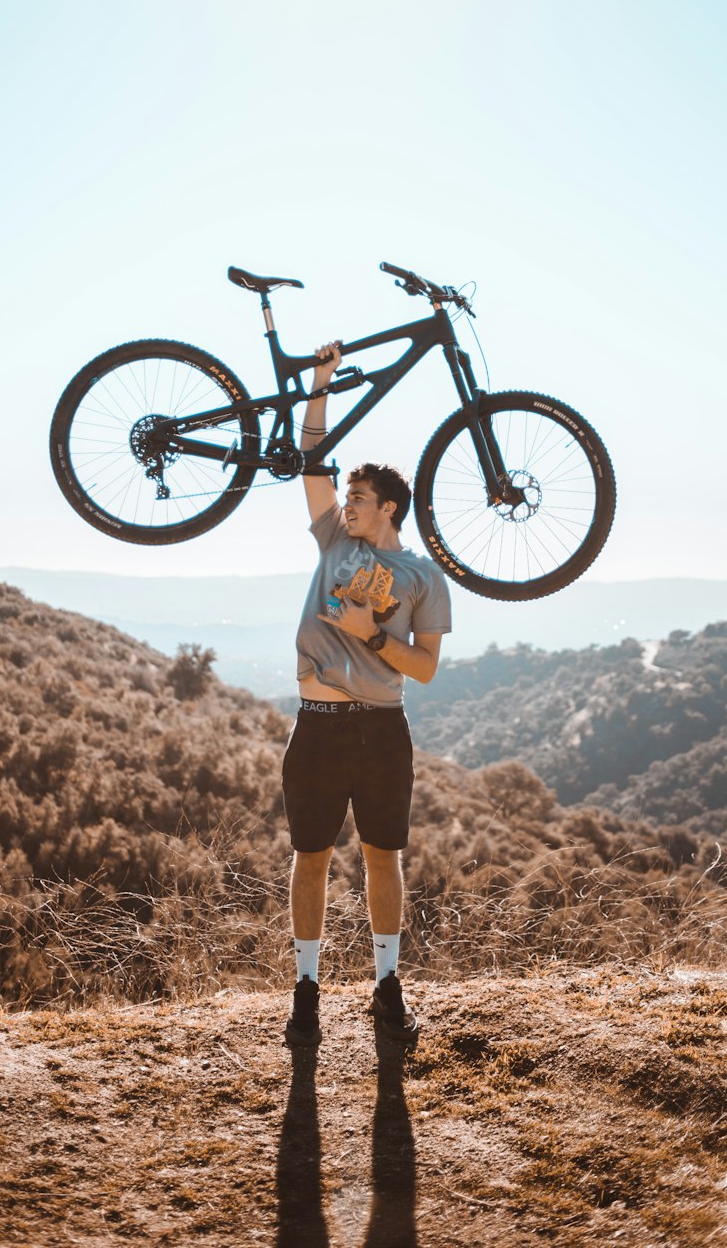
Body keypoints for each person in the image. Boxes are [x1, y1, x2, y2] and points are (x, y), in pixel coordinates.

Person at [282, 340, 451, 1047]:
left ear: (386, 508)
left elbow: (426, 668)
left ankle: (387, 988)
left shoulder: (422, 577)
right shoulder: (332, 544)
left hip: (382, 729)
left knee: (384, 855)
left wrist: (370, 632)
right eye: (345, 497)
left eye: (357, 498)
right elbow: (311, 461)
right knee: (310, 858)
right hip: (316, 724)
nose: (344, 504)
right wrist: (319, 385)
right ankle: (306, 992)